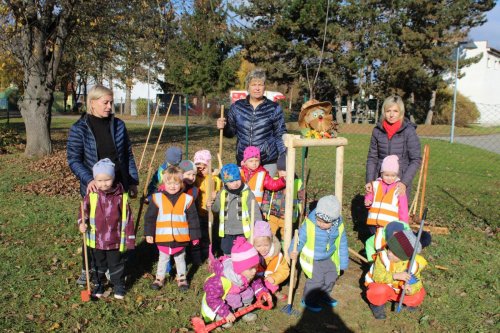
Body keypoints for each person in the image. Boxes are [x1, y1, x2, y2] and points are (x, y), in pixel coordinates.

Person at [67, 84, 139, 286]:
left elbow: (127, 155)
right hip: (94, 189)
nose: (109, 106)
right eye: (105, 102)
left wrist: (132, 180)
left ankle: (113, 267)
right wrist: (88, 179)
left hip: (118, 187)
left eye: (111, 102)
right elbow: (74, 159)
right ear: (92, 103)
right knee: (93, 228)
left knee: (116, 226)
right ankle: (88, 269)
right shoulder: (79, 128)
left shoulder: (118, 125)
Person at [78, 159, 135, 300]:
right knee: (98, 263)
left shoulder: (121, 196)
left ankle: (118, 285)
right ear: (94, 180)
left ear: (113, 178)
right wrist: (81, 223)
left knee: (116, 264)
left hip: (114, 239)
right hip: (95, 239)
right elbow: (83, 212)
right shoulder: (91, 196)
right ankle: (98, 284)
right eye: (99, 180)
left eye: (107, 180)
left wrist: (129, 239)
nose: (103, 184)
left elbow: (127, 218)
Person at [216, 68, 286, 176]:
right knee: (245, 191)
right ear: (248, 87)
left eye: (260, 85)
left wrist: (283, 158)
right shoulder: (237, 107)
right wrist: (224, 127)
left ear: (264, 87)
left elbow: (280, 134)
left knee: (262, 191)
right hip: (244, 161)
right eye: (254, 85)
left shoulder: (274, 108)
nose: (257, 88)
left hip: (267, 161)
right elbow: (230, 133)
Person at [144, 166, 201, 291]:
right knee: (163, 258)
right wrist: (149, 233)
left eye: (176, 183)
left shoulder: (187, 199)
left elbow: (193, 219)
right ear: (164, 183)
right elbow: (150, 217)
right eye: (169, 183)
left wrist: (195, 236)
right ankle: (160, 277)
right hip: (163, 236)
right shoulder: (157, 198)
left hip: (180, 237)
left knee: (180, 258)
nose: (172, 186)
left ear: (181, 183)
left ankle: (181, 278)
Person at [289, 195, 348, 313]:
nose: (321, 224)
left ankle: (323, 294)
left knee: (332, 276)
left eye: (325, 222)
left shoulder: (339, 226)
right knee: (317, 279)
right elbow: (300, 239)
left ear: (334, 220)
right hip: (312, 257)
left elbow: (342, 243)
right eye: (319, 220)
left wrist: (343, 262)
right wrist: (293, 250)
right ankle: (308, 300)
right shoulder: (310, 224)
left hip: (328, 256)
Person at [201, 236, 272, 328]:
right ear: (239, 268)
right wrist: (225, 313)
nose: (254, 271)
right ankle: (221, 316)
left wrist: (263, 292)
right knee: (233, 299)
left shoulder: (249, 273)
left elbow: (257, 283)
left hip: (239, 291)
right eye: (251, 268)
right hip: (225, 302)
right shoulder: (221, 280)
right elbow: (212, 298)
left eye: (256, 267)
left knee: (248, 292)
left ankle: (243, 310)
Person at [365, 95, 421, 199]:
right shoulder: (377, 131)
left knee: (396, 212)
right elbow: (372, 158)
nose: (391, 115)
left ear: (401, 112)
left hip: (400, 180)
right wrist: (369, 180)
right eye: (388, 111)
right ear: (384, 112)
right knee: (377, 211)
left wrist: (404, 182)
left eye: (395, 111)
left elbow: (415, 159)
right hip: (380, 179)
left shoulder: (409, 131)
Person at [365, 230, 427, 319]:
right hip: (385, 287)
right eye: (389, 249)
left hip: (399, 292)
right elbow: (377, 277)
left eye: (394, 253)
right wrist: (395, 276)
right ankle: (377, 305)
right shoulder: (382, 257)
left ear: (403, 257)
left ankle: (400, 302)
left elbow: (417, 283)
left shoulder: (412, 265)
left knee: (419, 294)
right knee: (378, 290)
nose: (389, 253)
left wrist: (410, 290)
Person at [210, 163, 261, 255]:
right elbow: (216, 209)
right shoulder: (222, 193)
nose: (236, 183)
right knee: (227, 250)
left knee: (243, 251)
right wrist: (212, 203)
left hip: (242, 230)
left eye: (237, 179)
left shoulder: (247, 193)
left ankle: (242, 267)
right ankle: (229, 266)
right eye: (232, 181)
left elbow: (255, 211)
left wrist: (258, 225)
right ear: (225, 182)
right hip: (227, 230)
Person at [261, 154, 304, 241]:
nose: (283, 173)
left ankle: (286, 251)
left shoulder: (297, 183)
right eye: (280, 170)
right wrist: (265, 210)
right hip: (273, 215)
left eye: (285, 170)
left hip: (287, 216)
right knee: (269, 234)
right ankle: (272, 251)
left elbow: (302, 200)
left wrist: (302, 214)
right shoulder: (274, 181)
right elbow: (267, 197)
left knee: (286, 236)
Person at [365, 155, 408, 231]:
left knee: (385, 242)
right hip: (373, 222)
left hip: (389, 225)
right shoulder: (375, 185)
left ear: (396, 175)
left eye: (393, 175)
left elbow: (403, 208)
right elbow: (370, 196)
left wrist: (404, 224)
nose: (389, 178)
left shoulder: (399, 188)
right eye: (386, 175)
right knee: (373, 241)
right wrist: (368, 202)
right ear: (381, 174)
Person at [193, 150, 222, 259]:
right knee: (199, 233)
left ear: (209, 166)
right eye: (198, 168)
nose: (200, 171)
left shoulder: (215, 179)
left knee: (208, 233)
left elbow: (220, 193)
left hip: (210, 213)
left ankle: (207, 252)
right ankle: (197, 251)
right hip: (197, 211)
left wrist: (216, 195)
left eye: (203, 168)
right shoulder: (195, 179)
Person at [252, 220, 290, 295]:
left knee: (271, 285)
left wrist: (274, 278)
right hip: (255, 282)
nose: (263, 249)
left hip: (269, 280)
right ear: (253, 244)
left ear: (271, 242)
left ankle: (275, 292)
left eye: (266, 245)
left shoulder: (277, 256)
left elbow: (284, 270)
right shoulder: (249, 256)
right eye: (259, 246)